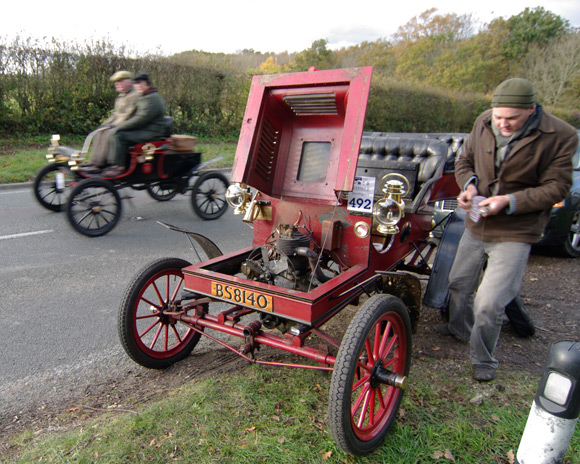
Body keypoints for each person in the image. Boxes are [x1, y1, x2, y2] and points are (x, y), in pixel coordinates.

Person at [436, 78, 578, 382]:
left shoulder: (562, 135)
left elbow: (558, 187)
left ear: (530, 110)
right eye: (498, 117)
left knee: (489, 302)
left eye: (511, 118)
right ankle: (459, 331)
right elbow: (464, 162)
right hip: (477, 222)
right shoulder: (483, 122)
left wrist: (509, 201)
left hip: (517, 230)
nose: (502, 124)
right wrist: (469, 186)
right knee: (458, 284)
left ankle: (483, 359)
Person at [102, 72, 168, 177]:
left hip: (152, 132)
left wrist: (120, 126)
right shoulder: (145, 96)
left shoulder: (152, 98)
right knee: (117, 133)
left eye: (139, 83)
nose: (137, 86)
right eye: (135, 84)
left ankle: (118, 166)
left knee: (119, 136)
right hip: (144, 129)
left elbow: (141, 119)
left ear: (146, 83)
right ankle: (108, 163)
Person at [83, 71, 139, 171]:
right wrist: (104, 124)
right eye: (116, 82)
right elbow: (115, 114)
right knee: (99, 132)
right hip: (119, 124)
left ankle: (101, 163)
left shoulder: (134, 96)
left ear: (129, 82)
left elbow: (128, 115)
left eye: (120, 81)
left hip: (129, 126)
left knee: (108, 134)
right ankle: (94, 161)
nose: (117, 84)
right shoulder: (121, 96)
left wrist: (113, 125)